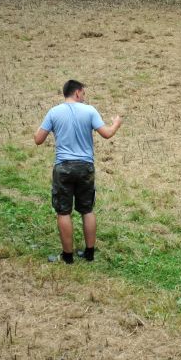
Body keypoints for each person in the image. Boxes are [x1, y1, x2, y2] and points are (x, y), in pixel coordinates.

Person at [34, 79, 122, 264]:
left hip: (63, 167)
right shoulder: (90, 110)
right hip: (85, 167)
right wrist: (116, 123)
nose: (84, 97)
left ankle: (67, 257)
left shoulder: (54, 112)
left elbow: (38, 139)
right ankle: (89, 253)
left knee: (63, 212)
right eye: (83, 93)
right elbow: (107, 134)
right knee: (87, 210)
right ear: (77, 92)